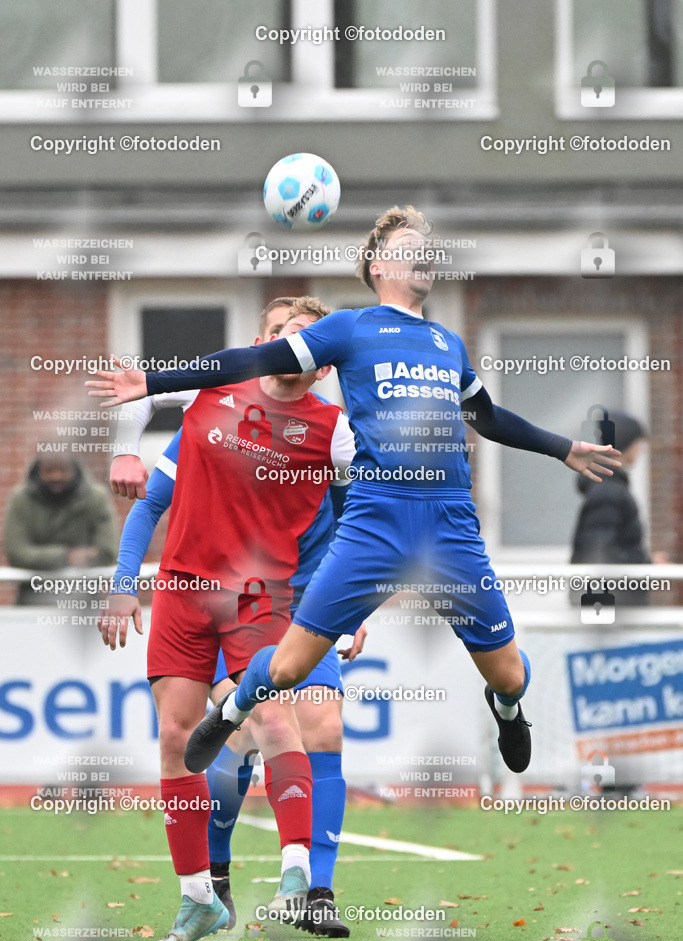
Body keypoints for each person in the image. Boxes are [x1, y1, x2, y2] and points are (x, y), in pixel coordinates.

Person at [87, 205, 621, 780]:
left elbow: (487, 417)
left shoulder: (447, 345)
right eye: (410, 243)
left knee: (511, 675)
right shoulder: (350, 327)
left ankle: (509, 709)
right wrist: (155, 380)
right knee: (288, 669)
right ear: (378, 263)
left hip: (449, 525)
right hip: (375, 523)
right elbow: (253, 358)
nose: (426, 252)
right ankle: (234, 707)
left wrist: (562, 447)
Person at [97, 297, 359, 941]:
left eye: (305, 339)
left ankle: (305, 884)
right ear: (256, 344)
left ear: (323, 363)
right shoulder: (215, 391)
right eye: (278, 335)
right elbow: (147, 429)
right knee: (198, 743)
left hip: (272, 598)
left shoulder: (334, 432)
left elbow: (364, 526)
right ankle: (206, 890)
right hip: (186, 593)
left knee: (299, 720)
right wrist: (127, 452)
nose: (290, 346)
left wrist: (349, 607)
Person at [571, 412, 661, 606]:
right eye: (639, 444)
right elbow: (600, 554)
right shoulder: (609, 492)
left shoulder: (608, 488)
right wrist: (648, 565)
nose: (641, 450)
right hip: (609, 609)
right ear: (626, 445)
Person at [5, 454, 118, 605]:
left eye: (64, 470)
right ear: (38, 470)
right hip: (31, 603)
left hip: (83, 605)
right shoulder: (21, 499)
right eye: (49, 470)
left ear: (75, 468)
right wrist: (67, 556)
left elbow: (107, 552)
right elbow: (17, 553)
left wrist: (40, 557)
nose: (56, 476)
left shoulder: (96, 498)